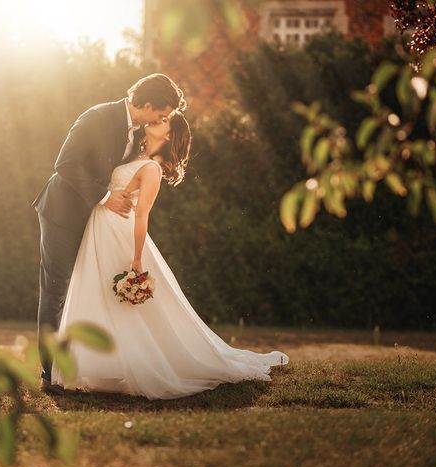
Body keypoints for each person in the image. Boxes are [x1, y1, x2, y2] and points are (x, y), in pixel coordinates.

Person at [50, 110, 289, 400]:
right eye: (159, 116)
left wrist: (137, 258)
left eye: (164, 121)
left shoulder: (152, 169)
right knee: (98, 294)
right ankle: (101, 366)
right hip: (99, 229)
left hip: (120, 234)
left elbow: (141, 217)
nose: (157, 120)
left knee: (126, 305)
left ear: (168, 135)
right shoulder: (129, 153)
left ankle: (144, 362)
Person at [31, 74, 186, 393]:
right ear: (145, 105)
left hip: (95, 223)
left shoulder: (139, 135)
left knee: (87, 289)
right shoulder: (97, 116)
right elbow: (65, 164)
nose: (163, 119)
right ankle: (49, 373)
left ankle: (90, 363)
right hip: (62, 214)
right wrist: (104, 196)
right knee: (56, 289)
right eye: (162, 113)